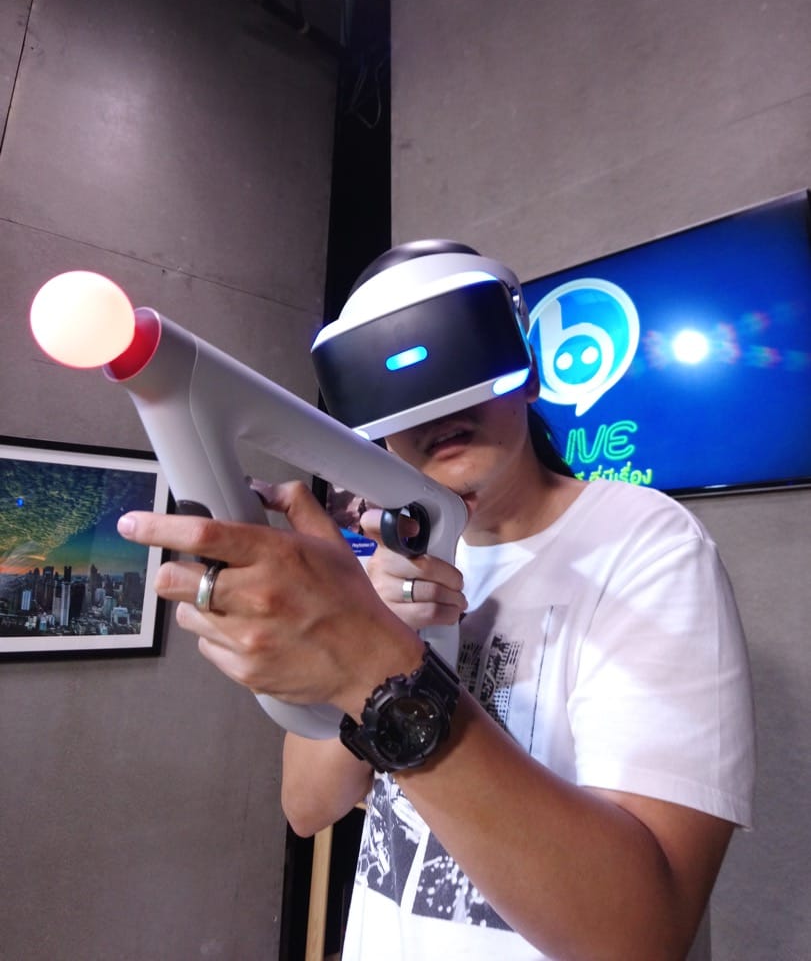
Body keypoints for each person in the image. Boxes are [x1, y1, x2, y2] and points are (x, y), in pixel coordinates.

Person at [117, 240, 755, 961]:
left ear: (527, 373)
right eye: (396, 394)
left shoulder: (646, 545)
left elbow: (639, 937)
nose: (437, 412)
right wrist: (369, 635)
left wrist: (379, 663)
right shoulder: (387, 568)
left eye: (459, 369)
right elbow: (308, 807)